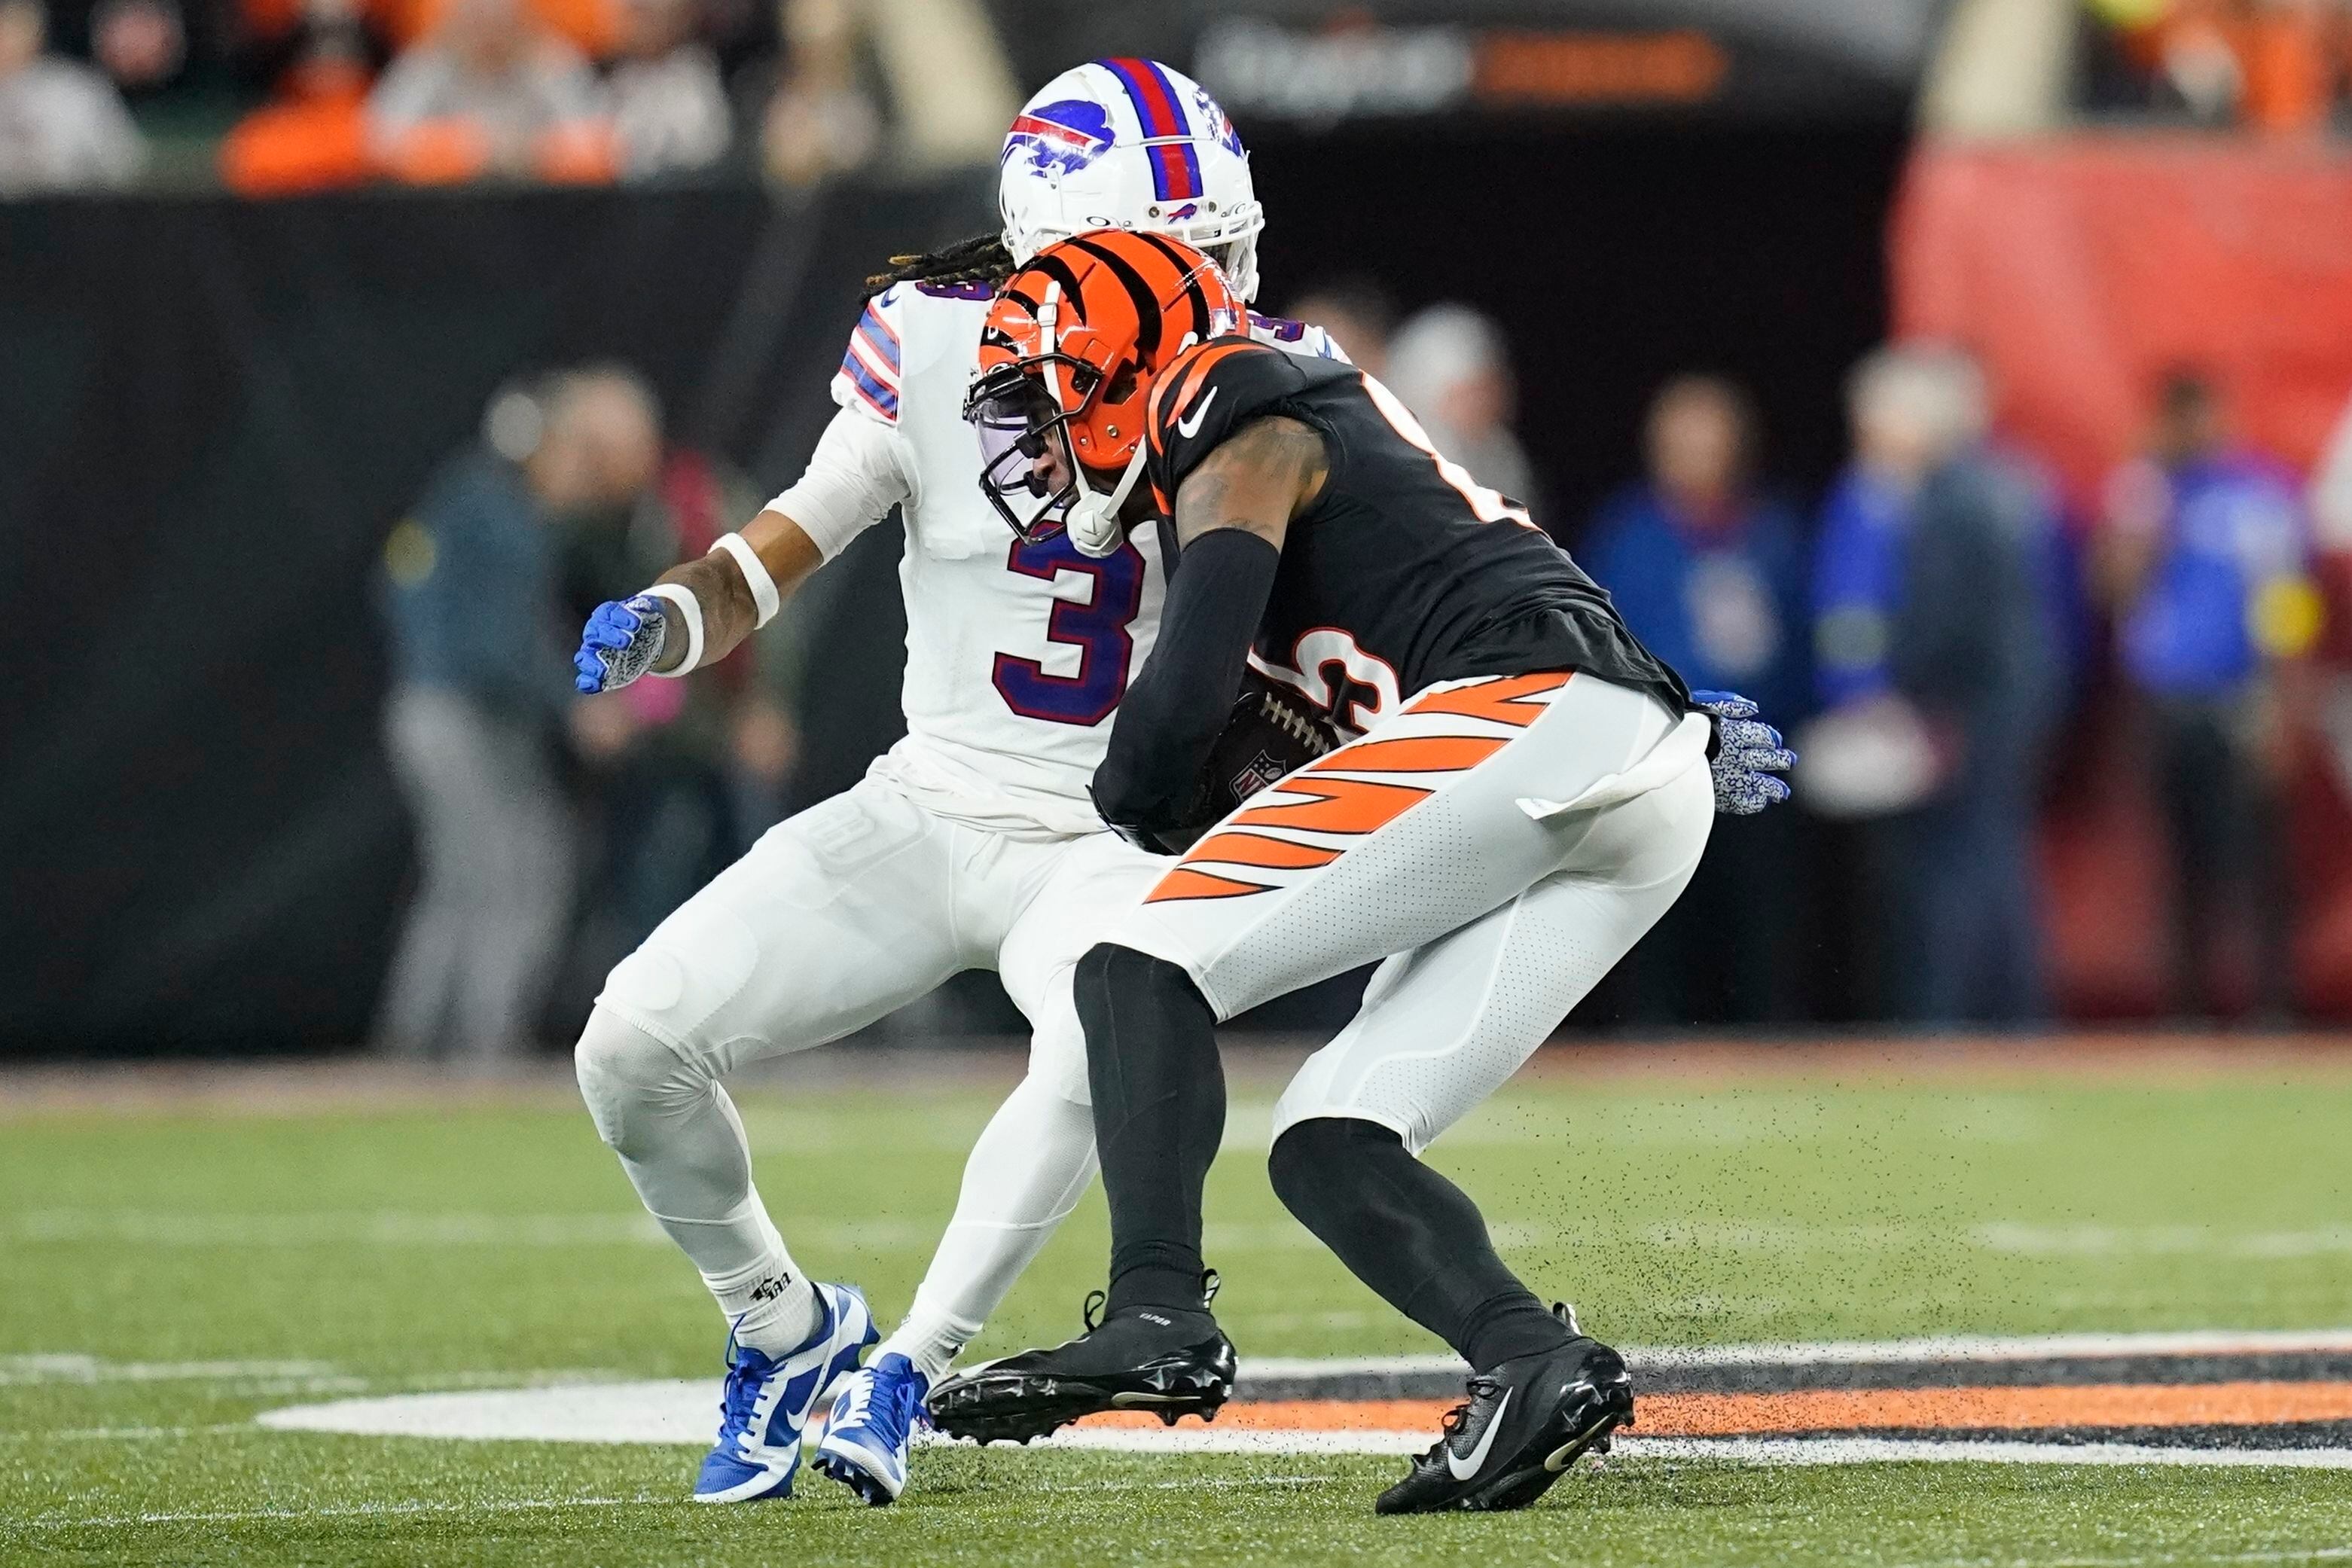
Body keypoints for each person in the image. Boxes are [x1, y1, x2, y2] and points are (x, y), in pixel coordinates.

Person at [566, 59, 1348, 1508]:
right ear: (1066, 250)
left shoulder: (1270, 379)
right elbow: (777, 548)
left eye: (1215, 242)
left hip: (1110, 839)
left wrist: (1604, 704)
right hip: (930, 803)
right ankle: (782, 1325)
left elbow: (1397, 606)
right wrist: (673, 619)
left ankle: (910, 1363)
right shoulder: (928, 341)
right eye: (1179, 247)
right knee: (628, 1045)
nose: (1218, 277)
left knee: (1095, 1047)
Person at [925, 230, 1791, 1515]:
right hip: (1624, 776)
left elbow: (1175, 719)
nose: (1035, 452)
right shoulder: (1265, 429)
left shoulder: (1227, 391)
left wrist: (1142, 794)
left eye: (1043, 411)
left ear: (1111, 371)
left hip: (1533, 715)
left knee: (1135, 959)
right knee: (1330, 1133)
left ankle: (1157, 1309)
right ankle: (1526, 1355)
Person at [375, 367, 662, 1063]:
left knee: (477, 873)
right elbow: (499, 642)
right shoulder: (497, 514)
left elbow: (396, 584)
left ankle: (417, 1044)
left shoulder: (469, 501)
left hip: (443, 710)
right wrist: (575, 705)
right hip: (458, 717)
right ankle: (471, 1045)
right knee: (511, 870)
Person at [1807, 345, 2061, 1025]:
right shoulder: (2006, 486)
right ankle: (2011, 1018)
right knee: (1994, 861)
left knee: (1957, 868)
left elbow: (1947, 620)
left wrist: (1911, 697)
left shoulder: (1949, 500)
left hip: (1965, 705)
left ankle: (1956, 1020)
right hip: (2004, 701)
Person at [1582, 375, 1809, 1023]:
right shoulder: (1629, 533)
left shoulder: (1770, 531)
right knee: (1658, 925)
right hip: (1662, 760)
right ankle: (1653, 1051)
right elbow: (1603, 641)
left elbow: (1801, 638)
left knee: (1764, 921)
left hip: (1757, 754)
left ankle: (1773, 1051)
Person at [2095, 368, 2314, 1019]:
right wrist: (2142, 510)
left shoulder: (2259, 495)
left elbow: (2288, 605)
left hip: (2238, 699)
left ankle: (2272, 1007)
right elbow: (2112, 592)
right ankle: (2185, 1010)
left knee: (2251, 861)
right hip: (2162, 701)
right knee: (2178, 863)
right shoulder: (2144, 492)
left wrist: (2283, 703)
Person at [365, 0, 607, 183]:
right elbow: (380, 141)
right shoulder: (429, 62)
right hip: (447, 218)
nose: (487, 34)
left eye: (498, 22)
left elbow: (592, 145)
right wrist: (465, 149)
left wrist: (522, 151)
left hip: (539, 219)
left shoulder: (551, 62)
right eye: (476, 20)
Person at [1383, 300, 1539, 515]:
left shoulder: (1505, 461)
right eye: (1470, 392)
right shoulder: (1397, 458)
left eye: (1490, 387)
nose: (1487, 401)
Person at [0, 0, 143, 195]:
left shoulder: (76, 90)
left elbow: (124, 164)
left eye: (14, 28)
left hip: (71, 213)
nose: (7, 40)